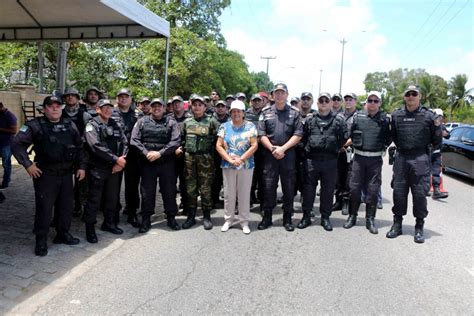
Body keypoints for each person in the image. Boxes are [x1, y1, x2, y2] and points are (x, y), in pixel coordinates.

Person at [12, 95, 86, 256]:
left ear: (61, 107)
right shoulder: (35, 125)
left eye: (58, 105)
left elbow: (80, 146)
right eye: (50, 106)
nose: (55, 108)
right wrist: (28, 164)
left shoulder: (69, 124)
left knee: (66, 207)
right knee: (44, 209)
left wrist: (81, 167)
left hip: (67, 174)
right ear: (44, 109)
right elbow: (17, 144)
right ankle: (41, 240)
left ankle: (63, 234)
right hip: (46, 175)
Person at [387, 85, 442, 243]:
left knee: (419, 195)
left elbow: (437, 140)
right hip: (402, 158)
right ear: (404, 97)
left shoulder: (429, 116)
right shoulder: (397, 115)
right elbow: (395, 137)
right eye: (408, 94)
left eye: (414, 94)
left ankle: (419, 227)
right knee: (398, 193)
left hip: (420, 158)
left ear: (420, 96)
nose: (411, 96)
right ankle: (397, 224)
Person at [257, 83, 303, 232]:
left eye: (282, 92)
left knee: (288, 188)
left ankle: (287, 218)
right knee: (269, 187)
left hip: (288, 155)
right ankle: (267, 217)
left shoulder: (295, 113)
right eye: (276, 92)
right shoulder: (265, 112)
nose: (279, 95)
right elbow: (261, 134)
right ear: (272, 95)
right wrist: (272, 148)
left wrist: (283, 148)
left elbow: (298, 134)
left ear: (287, 95)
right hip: (270, 155)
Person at [343, 91, 391, 234]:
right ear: (366, 102)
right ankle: (352, 216)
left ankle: (370, 219)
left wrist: (381, 147)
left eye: (376, 101)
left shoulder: (385, 119)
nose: (373, 103)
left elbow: (389, 138)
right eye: (370, 100)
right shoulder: (357, 117)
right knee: (354, 188)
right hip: (358, 158)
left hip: (375, 160)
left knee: (373, 190)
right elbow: (349, 134)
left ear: (380, 103)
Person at [131, 98, 181, 233]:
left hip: (166, 162)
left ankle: (171, 218)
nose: (157, 108)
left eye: (159, 106)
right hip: (148, 163)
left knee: (169, 191)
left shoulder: (171, 122)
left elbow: (176, 141)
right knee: (147, 192)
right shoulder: (141, 122)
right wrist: (146, 153)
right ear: (151, 108)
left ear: (164, 108)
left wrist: (160, 153)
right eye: (154, 106)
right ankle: (146, 219)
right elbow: (134, 140)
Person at [299, 92, 348, 230]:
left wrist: (332, 147)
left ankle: (325, 217)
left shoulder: (339, 120)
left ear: (331, 103)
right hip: (312, 161)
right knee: (308, 190)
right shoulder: (309, 120)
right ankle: (306, 216)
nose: (324, 103)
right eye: (321, 100)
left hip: (330, 161)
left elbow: (343, 138)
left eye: (327, 100)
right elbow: (303, 138)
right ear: (318, 103)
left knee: (328, 190)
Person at [83, 99, 128, 243]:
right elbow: (95, 146)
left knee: (112, 198)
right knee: (94, 200)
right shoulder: (92, 125)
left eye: (110, 107)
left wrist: (121, 160)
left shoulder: (115, 124)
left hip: (114, 169)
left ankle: (108, 224)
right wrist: (116, 159)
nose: (108, 110)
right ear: (98, 109)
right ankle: (90, 229)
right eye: (104, 107)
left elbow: (125, 142)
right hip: (98, 168)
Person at [216, 100, 258, 234]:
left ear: (243, 113)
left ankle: (244, 221)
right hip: (228, 164)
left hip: (246, 165)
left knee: (244, 194)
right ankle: (228, 220)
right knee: (229, 194)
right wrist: (229, 159)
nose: (236, 114)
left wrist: (241, 159)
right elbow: (218, 145)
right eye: (233, 111)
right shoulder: (224, 126)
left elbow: (254, 145)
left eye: (238, 111)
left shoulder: (250, 126)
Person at [181, 95, 220, 230]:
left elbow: (220, 140)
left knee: (205, 188)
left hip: (206, 161)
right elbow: (181, 139)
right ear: (191, 107)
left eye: (200, 105)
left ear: (205, 107)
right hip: (189, 160)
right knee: (190, 189)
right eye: (195, 105)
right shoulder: (186, 122)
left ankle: (207, 216)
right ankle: (191, 216)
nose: (197, 107)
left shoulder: (212, 122)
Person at [111, 88, 140, 227]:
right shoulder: (110, 112)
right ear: (117, 99)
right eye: (120, 96)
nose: (123, 99)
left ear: (130, 99)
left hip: (133, 155)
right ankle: (113, 214)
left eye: (126, 96)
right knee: (113, 186)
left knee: (132, 186)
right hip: (116, 155)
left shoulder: (137, 114)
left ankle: (132, 213)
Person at [62, 87, 92, 217]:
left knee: (82, 183)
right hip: (63, 153)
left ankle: (81, 206)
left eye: (73, 95)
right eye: (67, 95)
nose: (70, 97)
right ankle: (64, 208)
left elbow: (90, 133)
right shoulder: (60, 113)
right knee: (63, 183)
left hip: (80, 152)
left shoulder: (85, 115)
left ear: (77, 98)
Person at [333, 92, 357, 215]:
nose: (348, 101)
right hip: (338, 151)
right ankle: (338, 201)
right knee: (337, 177)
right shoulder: (339, 115)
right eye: (346, 99)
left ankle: (346, 203)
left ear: (355, 102)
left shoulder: (359, 116)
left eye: (350, 99)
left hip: (351, 151)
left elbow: (357, 134)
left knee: (349, 178)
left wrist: (344, 144)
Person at [295, 92, 317, 204]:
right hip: (295, 151)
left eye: (308, 99)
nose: (305, 101)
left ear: (312, 101)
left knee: (308, 179)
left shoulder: (316, 115)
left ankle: (307, 202)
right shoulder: (294, 115)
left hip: (310, 152)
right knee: (293, 177)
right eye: (303, 98)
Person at [171, 95, 192, 212]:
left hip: (186, 155)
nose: (176, 105)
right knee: (170, 183)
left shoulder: (190, 119)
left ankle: (185, 204)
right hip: (171, 156)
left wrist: (182, 148)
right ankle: (171, 206)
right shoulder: (168, 118)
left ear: (182, 104)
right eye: (174, 103)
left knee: (185, 182)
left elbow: (192, 137)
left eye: (178, 102)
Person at [245, 94, 265, 207]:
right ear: (251, 102)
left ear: (262, 101)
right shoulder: (246, 114)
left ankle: (263, 202)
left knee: (262, 177)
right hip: (248, 149)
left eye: (259, 100)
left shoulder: (267, 113)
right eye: (254, 100)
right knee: (249, 177)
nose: (256, 102)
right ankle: (248, 200)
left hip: (263, 150)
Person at [211, 100, 230, 208]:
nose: (220, 108)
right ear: (215, 108)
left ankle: (230, 201)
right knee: (216, 178)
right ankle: (215, 200)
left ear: (226, 109)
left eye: (223, 106)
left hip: (229, 153)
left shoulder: (231, 120)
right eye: (218, 106)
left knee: (229, 178)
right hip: (215, 153)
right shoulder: (211, 120)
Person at [429, 108, 449, 199]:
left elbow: (448, 135)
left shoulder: (442, 126)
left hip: (437, 153)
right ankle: (424, 189)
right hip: (428, 152)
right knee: (425, 172)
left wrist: (445, 133)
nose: (439, 118)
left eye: (440, 116)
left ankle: (436, 190)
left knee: (436, 171)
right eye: (438, 116)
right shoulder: (428, 125)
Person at [0, 101, 17, 190]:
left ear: (1, 107)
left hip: (6, 144)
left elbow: (14, 131)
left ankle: (5, 182)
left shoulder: (10, 116)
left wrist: (1, 129)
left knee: (6, 164)